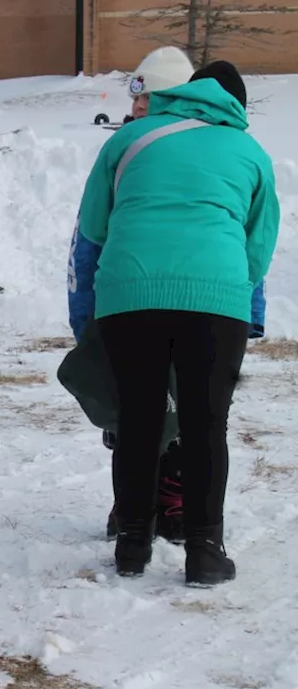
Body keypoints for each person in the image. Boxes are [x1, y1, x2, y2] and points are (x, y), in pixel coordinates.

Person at [75, 60, 280, 586]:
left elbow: (95, 225)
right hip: (216, 298)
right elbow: (259, 248)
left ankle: (132, 544)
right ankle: (205, 550)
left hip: (130, 294)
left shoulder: (130, 139)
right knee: (205, 423)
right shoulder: (251, 152)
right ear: (235, 106)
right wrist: (227, 285)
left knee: (139, 418)